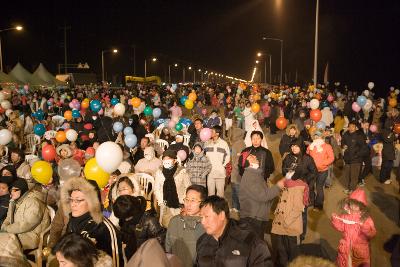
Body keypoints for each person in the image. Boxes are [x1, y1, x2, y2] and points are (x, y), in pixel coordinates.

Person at [60, 177, 122, 267]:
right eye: (71, 200)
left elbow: (116, 262)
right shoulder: (72, 221)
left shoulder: (103, 228)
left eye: (78, 200)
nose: (73, 204)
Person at [195, 195, 273, 266]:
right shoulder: (202, 241)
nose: (202, 222)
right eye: (201, 217)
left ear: (221, 215)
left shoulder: (249, 240)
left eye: (207, 216)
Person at [239, 131, 283, 239]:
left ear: (261, 139)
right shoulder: (246, 151)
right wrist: (247, 175)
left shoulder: (266, 152)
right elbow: (240, 165)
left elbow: (271, 167)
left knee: (261, 201)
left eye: (258, 138)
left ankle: (259, 216)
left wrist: (263, 175)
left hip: (262, 180)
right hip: (250, 179)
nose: (255, 140)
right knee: (256, 200)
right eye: (253, 138)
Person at [0, 178, 50, 254]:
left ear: (22, 190)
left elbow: (26, 224)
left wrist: (7, 229)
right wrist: (3, 228)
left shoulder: (33, 202)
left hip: (32, 236)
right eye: (11, 190)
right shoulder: (14, 202)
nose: (12, 192)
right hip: (16, 233)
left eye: (15, 190)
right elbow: (8, 218)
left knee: (5, 244)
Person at [282, 139, 318, 242]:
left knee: (302, 213)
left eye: (296, 146)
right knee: (290, 211)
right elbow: (283, 171)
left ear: (301, 147)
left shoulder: (307, 158)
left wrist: (306, 184)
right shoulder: (288, 158)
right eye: (292, 146)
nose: (294, 148)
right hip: (291, 190)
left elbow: (314, 173)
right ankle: (291, 231)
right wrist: (288, 173)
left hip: (303, 190)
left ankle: (302, 234)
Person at [271, 171, 309, 267]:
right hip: (282, 223)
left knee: (291, 251)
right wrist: (277, 212)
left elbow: (297, 208)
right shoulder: (288, 186)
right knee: (281, 249)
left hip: (289, 225)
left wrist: (286, 222)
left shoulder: (296, 188)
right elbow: (282, 203)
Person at [331, 188, 376, 267]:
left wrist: (365, 227)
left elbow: (372, 234)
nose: (354, 206)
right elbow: (341, 228)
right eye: (352, 203)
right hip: (345, 249)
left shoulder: (366, 219)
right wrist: (336, 221)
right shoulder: (345, 216)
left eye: (357, 205)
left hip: (359, 251)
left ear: (362, 206)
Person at [166, 185, 206, 267]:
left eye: (193, 200)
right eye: (186, 200)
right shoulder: (174, 221)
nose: (188, 204)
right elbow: (168, 248)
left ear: (203, 203)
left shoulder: (206, 225)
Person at [113, 195, 165, 259]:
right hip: (132, 259)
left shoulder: (149, 221)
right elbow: (126, 236)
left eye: (127, 217)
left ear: (133, 211)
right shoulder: (125, 218)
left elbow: (160, 244)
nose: (126, 220)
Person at [154, 150, 191, 227]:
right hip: (165, 204)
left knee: (178, 226)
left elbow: (188, 187)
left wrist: (184, 200)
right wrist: (161, 201)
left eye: (169, 159)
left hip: (179, 204)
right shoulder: (159, 172)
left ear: (174, 160)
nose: (166, 161)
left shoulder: (182, 171)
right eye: (164, 159)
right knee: (165, 225)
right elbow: (157, 188)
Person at [307, 131, 334, 211]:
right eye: (315, 136)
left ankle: (319, 205)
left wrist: (323, 163)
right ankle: (311, 201)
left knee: (319, 187)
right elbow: (307, 156)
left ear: (321, 137)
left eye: (318, 136)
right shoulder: (311, 146)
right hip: (312, 171)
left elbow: (331, 158)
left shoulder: (327, 146)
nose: (316, 138)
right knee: (310, 186)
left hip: (322, 171)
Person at [204, 125, 230, 197]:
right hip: (210, 173)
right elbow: (204, 155)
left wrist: (222, 166)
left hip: (220, 173)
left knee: (220, 194)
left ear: (217, 133)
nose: (210, 133)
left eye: (212, 131)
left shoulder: (224, 144)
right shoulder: (207, 143)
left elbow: (227, 156)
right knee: (210, 194)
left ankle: (219, 208)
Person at [342, 121, 365, 193]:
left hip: (356, 160)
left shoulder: (359, 136)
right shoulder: (346, 134)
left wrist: (357, 155)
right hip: (347, 159)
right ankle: (348, 188)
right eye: (350, 126)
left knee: (354, 176)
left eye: (353, 126)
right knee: (347, 175)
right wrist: (343, 145)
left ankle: (352, 189)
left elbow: (363, 148)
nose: (351, 128)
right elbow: (343, 142)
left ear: (356, 128)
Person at [230, 126, 246, 213]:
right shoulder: (238, 143)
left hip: (237, 172)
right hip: (234, 171)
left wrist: (235, 167)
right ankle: (234, 207)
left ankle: (238, 208)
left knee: (237, 190)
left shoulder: (239, 144)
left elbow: (240, 158)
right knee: (234, 189)